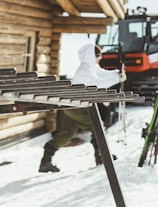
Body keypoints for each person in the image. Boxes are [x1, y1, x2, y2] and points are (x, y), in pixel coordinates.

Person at [39, 43, 120, 173]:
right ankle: (102, 157)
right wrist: (118, 78)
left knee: (66, 134)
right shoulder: (84, 70)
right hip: (74, 106)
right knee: (97, 127)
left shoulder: (91, 67)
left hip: (73, 105)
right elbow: (98, 84)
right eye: (98, 55)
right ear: (91, 56)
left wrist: (116, 72)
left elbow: (102, 74)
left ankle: (45, 162)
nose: (100, 58)